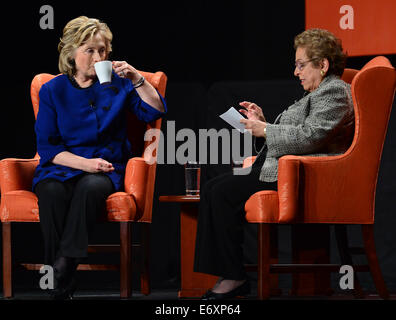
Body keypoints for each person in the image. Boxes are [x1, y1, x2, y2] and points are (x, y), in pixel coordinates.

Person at [194, 28, 354, 300]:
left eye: (301, 65)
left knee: (220, 193)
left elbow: (311, 136)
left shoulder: (335, 92)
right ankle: (229, 273)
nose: (296, 72)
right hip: (286, 167)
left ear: (323, 65)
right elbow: (300, 133)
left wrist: (265, 129)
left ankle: (233, 277)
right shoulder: (318, 93)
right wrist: (262, 121)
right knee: (213, 188)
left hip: (303, 173)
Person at [33, 16, 166, 299]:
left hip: (106, 169)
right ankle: (63, 284)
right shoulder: (52, 90)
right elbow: (48, 148)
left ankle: (61, 267)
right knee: (51, 192)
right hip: (63, 167)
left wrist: (136, 78)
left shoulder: (119, 84)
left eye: (103, 50)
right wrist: (85, 164)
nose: (98, 57)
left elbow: (154, 111)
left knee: (90, 188)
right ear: (71, 53)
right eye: (90, 50)